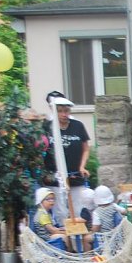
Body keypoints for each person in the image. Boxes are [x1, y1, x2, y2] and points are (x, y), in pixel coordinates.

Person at [43, 91, 91, 222]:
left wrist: (82, 166)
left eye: (66, 111)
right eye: (60, 111)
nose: (64, 114)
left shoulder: (78, 125)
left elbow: (86, 148)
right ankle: (64, 236)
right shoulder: (47, 127)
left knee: (78, 208)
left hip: (75, 174)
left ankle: (79, 238)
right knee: (60, 211)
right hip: (55, 176)